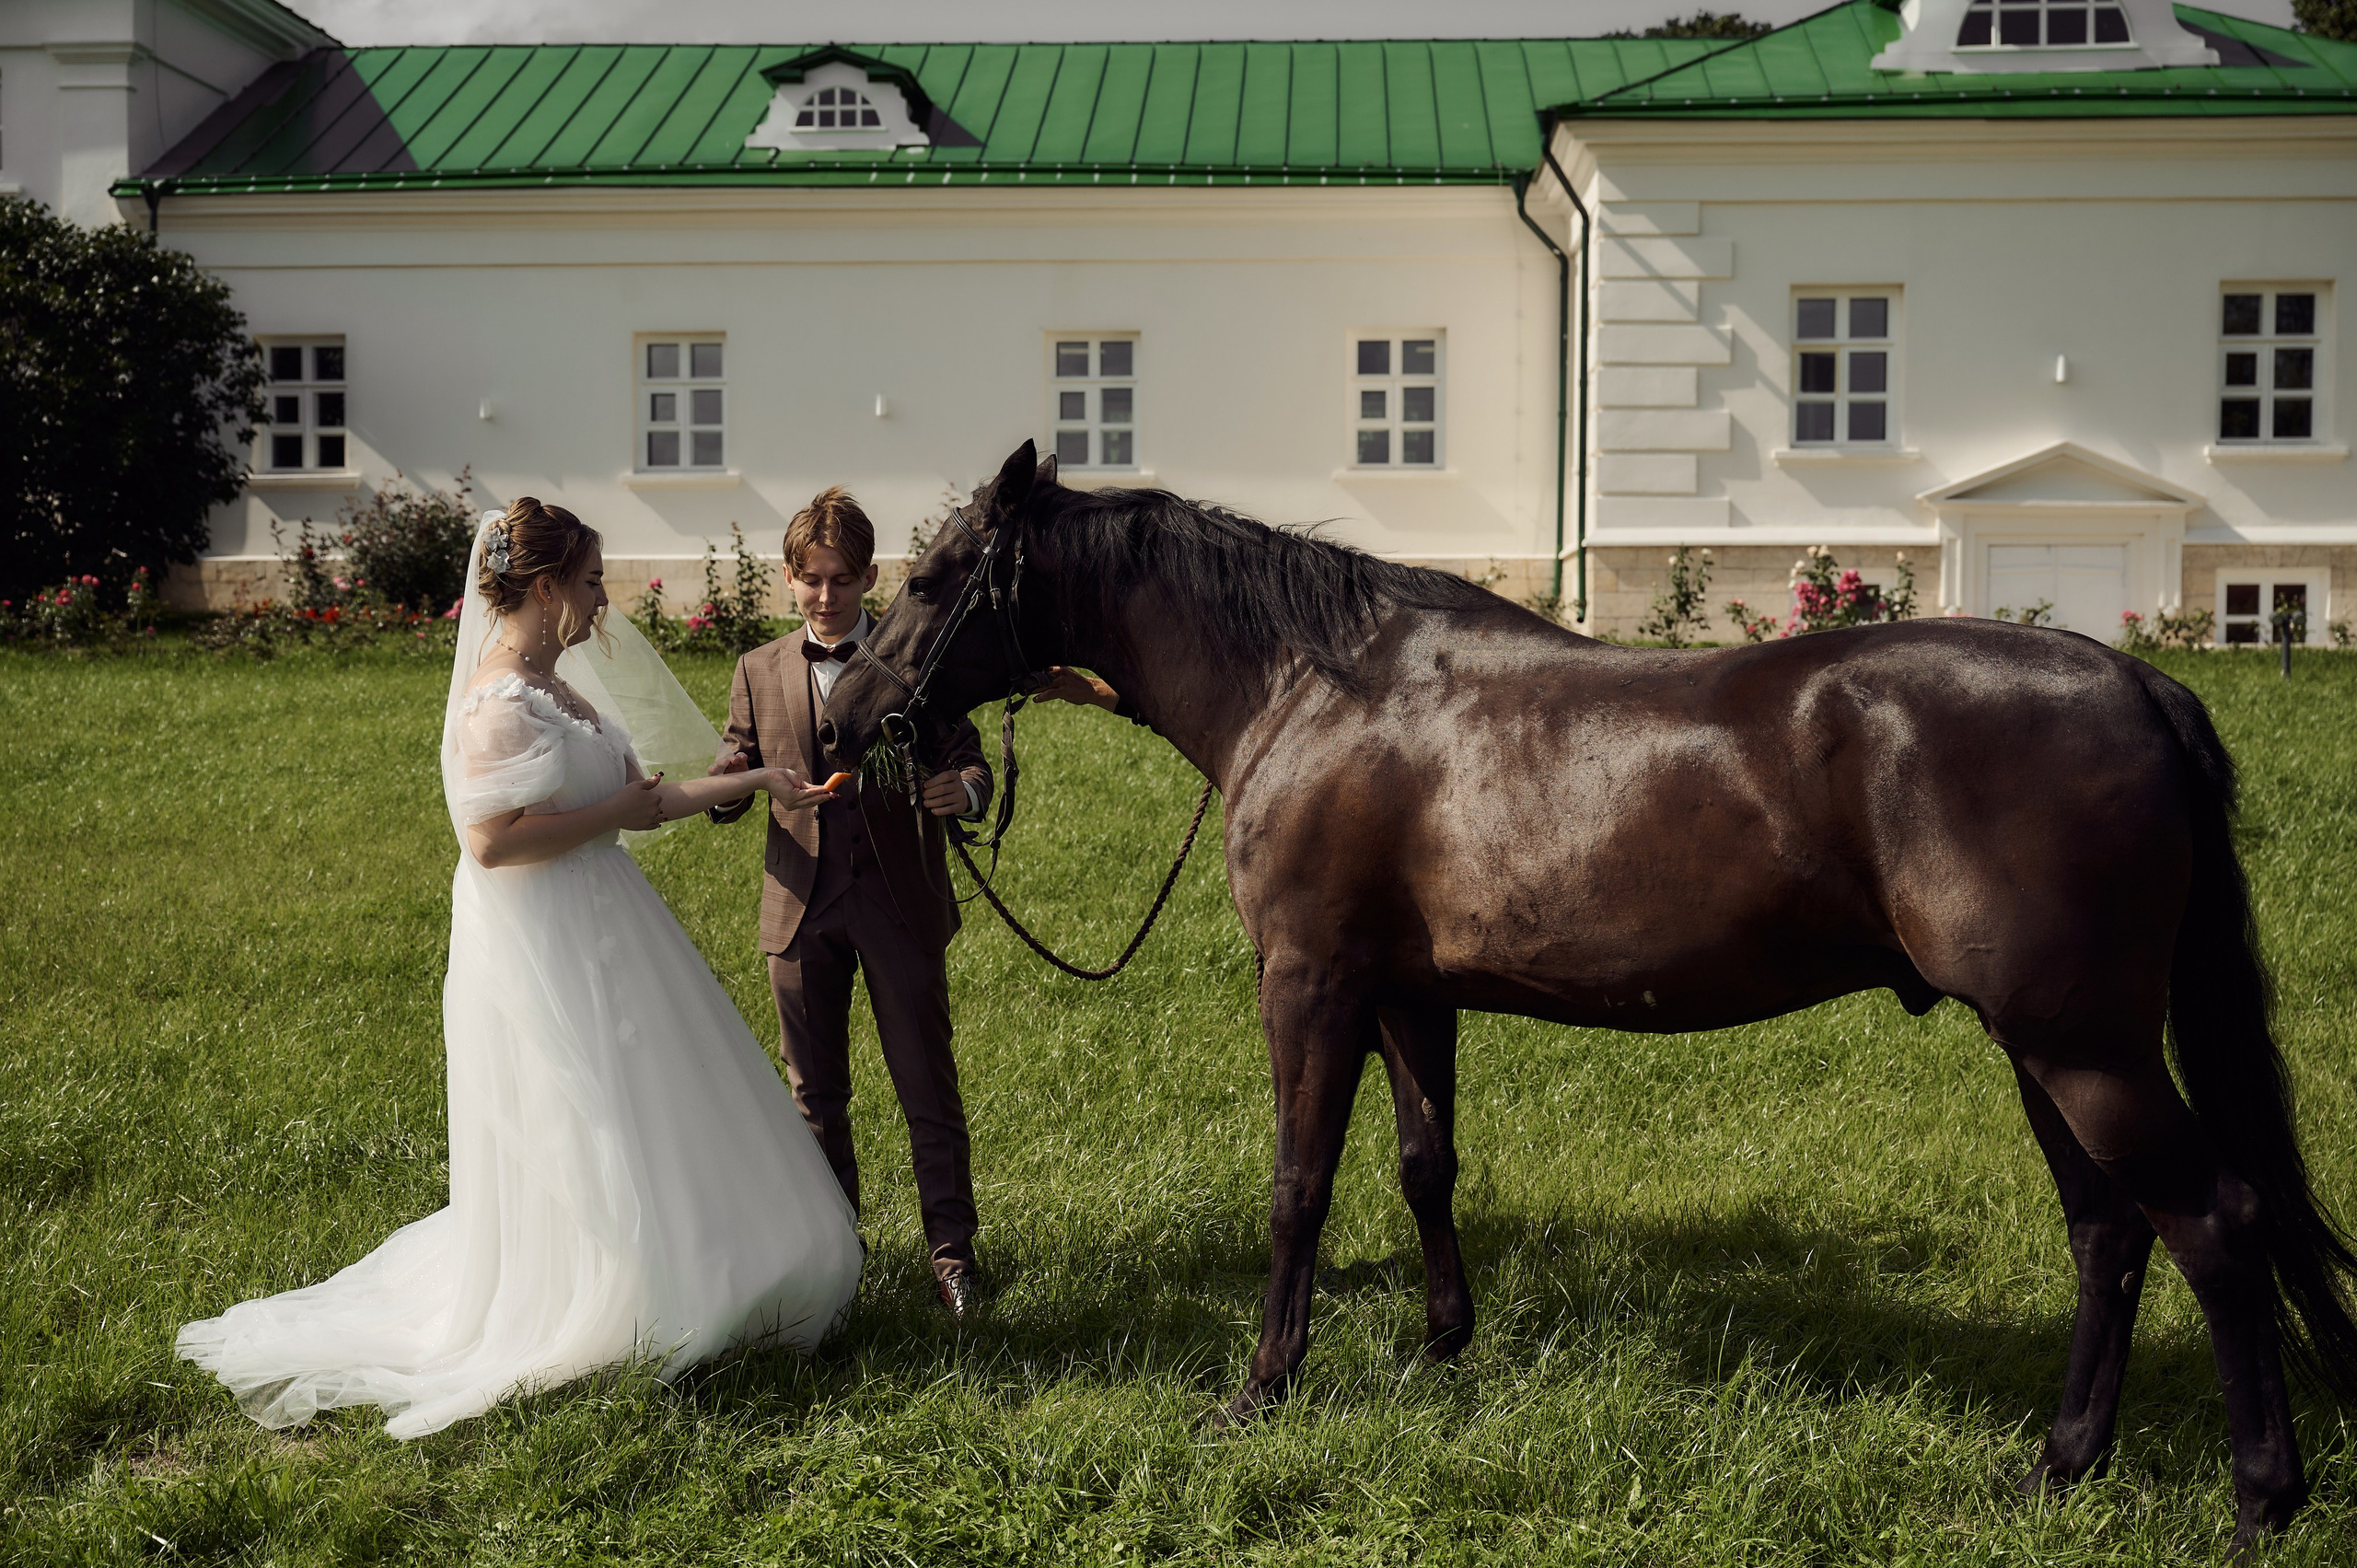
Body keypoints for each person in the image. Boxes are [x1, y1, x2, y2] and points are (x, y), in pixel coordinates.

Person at [178, 498, 864, 1439]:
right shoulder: (496, 701)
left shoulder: (561, 686)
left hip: (610, 927)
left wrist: (752, 781)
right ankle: (608, 1293)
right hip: (547, 944)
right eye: (588, 582)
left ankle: (702, 1263)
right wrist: (613, 814)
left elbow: (645, 799)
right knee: (585, 1114)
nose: (599, 600)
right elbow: (493, 840)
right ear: (545, 588)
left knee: (652, 1101)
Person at [706, 489, 994, 1317]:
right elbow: (736, 764)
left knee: (925, 1087)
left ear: (871, 577)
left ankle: (952, 1256)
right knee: (814, 1097)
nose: (826, 596)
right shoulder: (758, 669)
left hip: (900, 904)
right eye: (810, 579)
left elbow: (969, 760)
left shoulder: (913, 660)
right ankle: (837, 1254)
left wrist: (963, 791)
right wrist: (724, 787)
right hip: (799, 909)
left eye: (841, 579)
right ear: (789, 579)